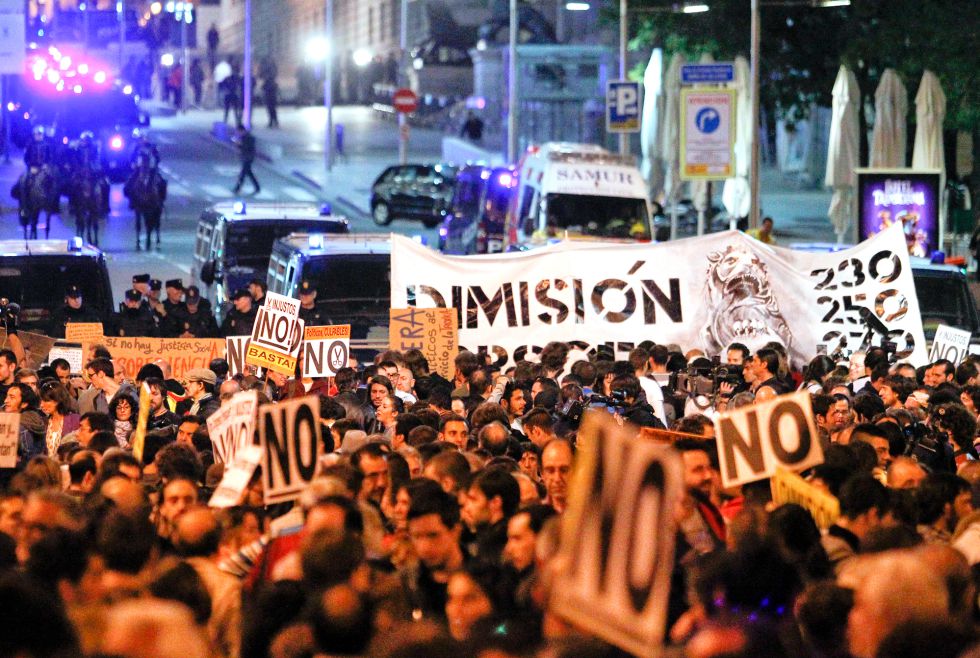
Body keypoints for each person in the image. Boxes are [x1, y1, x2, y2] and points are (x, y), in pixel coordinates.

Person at [231, 126, 260, 195]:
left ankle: (237, 188)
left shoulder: (249, 137)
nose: (238, 133)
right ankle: (257, 187)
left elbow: (247, 147)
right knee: (249, 173)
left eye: (239, 131)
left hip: (249, 157)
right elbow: (242, 147)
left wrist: (239, 144)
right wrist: (237, 144)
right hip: (246, 157)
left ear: (242, 130)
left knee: (243, 174)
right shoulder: (244, 137)